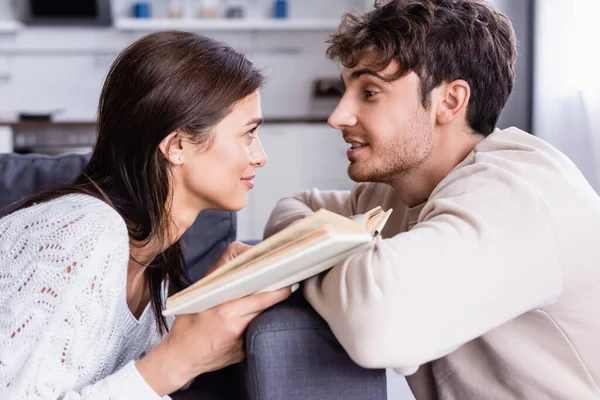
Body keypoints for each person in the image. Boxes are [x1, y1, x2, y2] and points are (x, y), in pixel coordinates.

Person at [264, 1, 600, 399]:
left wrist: (312, 255)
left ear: (451, 101)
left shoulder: (517, 195)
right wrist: (338, 254)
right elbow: (293, 207)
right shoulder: (392, 193)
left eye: (369, 92)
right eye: (346, 90)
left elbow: (376, 324)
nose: (337, 116)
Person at [0, 31, 294, 399]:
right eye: (248, 134)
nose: (260, 156)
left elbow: (117, 373)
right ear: (177, 146)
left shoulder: (154, 255)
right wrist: (180, 358)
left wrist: (205, 300)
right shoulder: (84, 232)